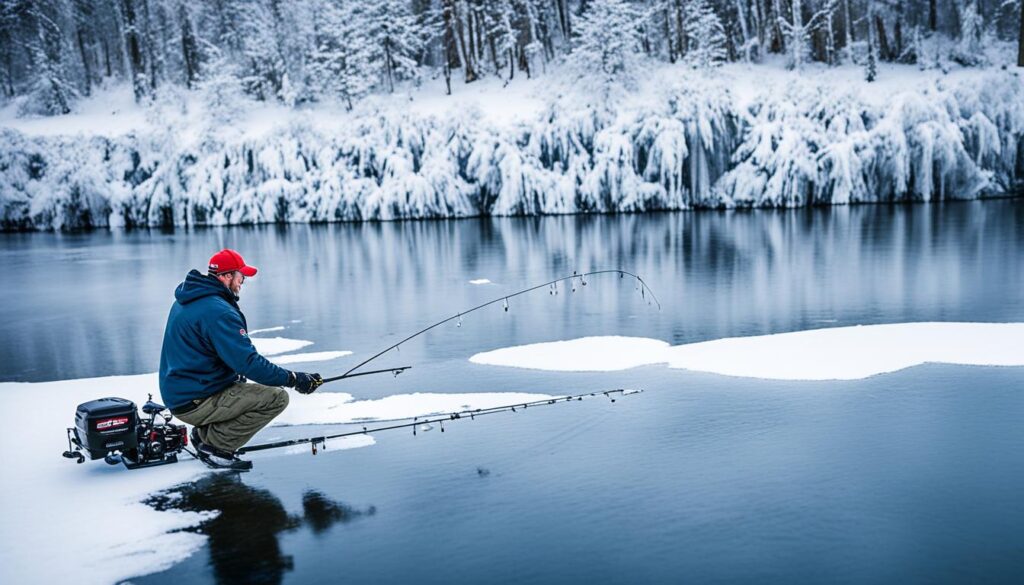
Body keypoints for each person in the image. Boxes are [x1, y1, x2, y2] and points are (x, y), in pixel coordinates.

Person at [159, 249, 322, 470]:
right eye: (241, 277)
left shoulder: (191, 297)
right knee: (276, 398)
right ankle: (216, 447)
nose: (242, 282)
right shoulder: (218, 312)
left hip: (180, 392)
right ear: (226, 277)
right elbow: (249, 363)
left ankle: (202, 435)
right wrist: (294, 379)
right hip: (193, 400)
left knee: (240, 384)